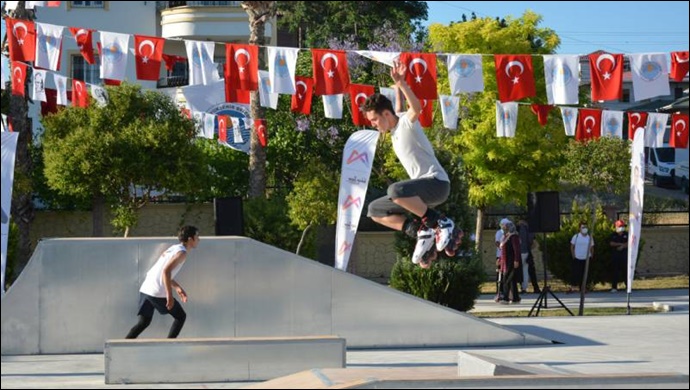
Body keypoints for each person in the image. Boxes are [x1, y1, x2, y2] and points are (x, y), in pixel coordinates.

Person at [364, 61, 460, 268]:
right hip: (419, 194)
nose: (373, 124)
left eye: (374, 120)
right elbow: (397, 106)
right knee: (375, 210)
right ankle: (419, 231)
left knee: (395, 190)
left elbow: (416, 108)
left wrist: (403, 83)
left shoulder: (407, 124)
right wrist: (396, 85)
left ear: (386, 115)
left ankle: (440, 222)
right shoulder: (394, 126)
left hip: (436, 184)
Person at [125, 225, 200, 339]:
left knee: (143, 322)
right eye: (197, 236)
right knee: (180, 317)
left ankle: (124, 346)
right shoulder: (182, 253)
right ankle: (169, 345)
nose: (199, 239)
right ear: (190, 239)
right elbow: (165, 272)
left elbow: (162, 272)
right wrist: (169, 296)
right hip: (157, 291)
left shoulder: (174, 248)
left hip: (146, 288)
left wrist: (177, 287)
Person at [498, 220, 521, 304]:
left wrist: (516, 260)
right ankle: (515, 298)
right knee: (512, 280)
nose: (503, 228)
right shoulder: (505, 236)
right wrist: (500, 260)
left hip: (511, 260)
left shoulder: (514, 237)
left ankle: (506, 297)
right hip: (505, 261)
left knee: (506, 279)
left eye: (505, 226)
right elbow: (502, 250)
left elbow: (516, 250)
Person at [569, 221, 594, 293]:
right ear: (579, 228)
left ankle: (583, 288)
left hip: (586, 258)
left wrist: (592, 255)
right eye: (583, 227)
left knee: (585, 274)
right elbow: (572, 246)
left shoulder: (589, 237)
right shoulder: (576, 236)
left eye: (586, 227)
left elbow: (592, 247)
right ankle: (573, 287)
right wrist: (573, 255)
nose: (584, 229)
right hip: (577, 258)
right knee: (576, 273)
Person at [517, 219, 540, 294]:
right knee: (526, 270)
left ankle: (521, 287)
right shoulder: (530, 230)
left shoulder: (517, 229)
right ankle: (526, 287)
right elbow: (533, 243)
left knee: (520, 270)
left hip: (518, 252)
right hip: (526, 252)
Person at [609, 220, 629, 292]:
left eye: (623, 226)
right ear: (616, 227)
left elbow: (629, 243)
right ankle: (614, 287)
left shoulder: (627, 234)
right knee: (615, 271)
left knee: (625, 271)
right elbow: (611, 243)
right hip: (615, 256)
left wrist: (623, 246)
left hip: (624, 256)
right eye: (620, 226)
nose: (622, 228)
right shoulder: (613, 234)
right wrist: (620, 244)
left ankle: (628, 287)